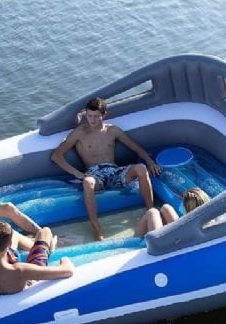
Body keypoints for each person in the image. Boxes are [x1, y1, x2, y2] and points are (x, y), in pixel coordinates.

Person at [51, 97, 162, 241]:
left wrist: (149, 161)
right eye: (89, 115)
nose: (92, 120)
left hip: (114, 171)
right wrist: (77, 173)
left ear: (103, 115)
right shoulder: (79, 133)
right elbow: (56, 156)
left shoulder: (112, 130)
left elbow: (135, 147)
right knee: (88, 182)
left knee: (141, 168)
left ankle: (150, 212)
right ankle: (97, 229)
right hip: (94, 173)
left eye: (96, 116)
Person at [137, 187, 211, 235]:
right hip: (182, 234)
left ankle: (138, 241)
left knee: (152, 212)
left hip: (170, 246)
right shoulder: (210, 217)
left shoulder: (192, 225)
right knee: (166, 208)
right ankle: (139, 237)